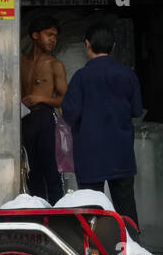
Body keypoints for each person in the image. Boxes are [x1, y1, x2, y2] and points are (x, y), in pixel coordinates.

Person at [61, 21, 144, 233]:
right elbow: (136, 110)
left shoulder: (81, 77)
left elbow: (70, 114)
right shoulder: (127, 75)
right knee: (125, 207)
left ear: (87, 45)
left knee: (92, 208)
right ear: (113, 47)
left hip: (90, 153)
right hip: (121, 152)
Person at [20, 12, 67, 203]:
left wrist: (41, 98)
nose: (53, 40)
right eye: (49, 35)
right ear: (35, 35)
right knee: (32, 171)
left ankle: (59, 214)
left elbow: (65, 99)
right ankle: (38, 215)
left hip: (46, 119)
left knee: (52, 170)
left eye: (55, 36)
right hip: (25, 120)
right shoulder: (20, 62)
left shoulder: (55, 64)